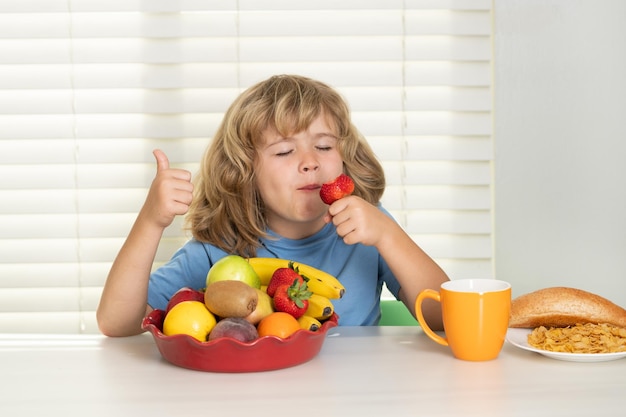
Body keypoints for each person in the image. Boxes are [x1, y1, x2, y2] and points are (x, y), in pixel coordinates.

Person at [96, 74, 449, 337]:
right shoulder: (218, 248)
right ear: (244, 172)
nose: (310, 161)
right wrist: (150, 222)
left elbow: (446, 318)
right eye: (284, 151)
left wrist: (388, 235)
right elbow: (117, 323)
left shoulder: (371, 232)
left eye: (324, 147)